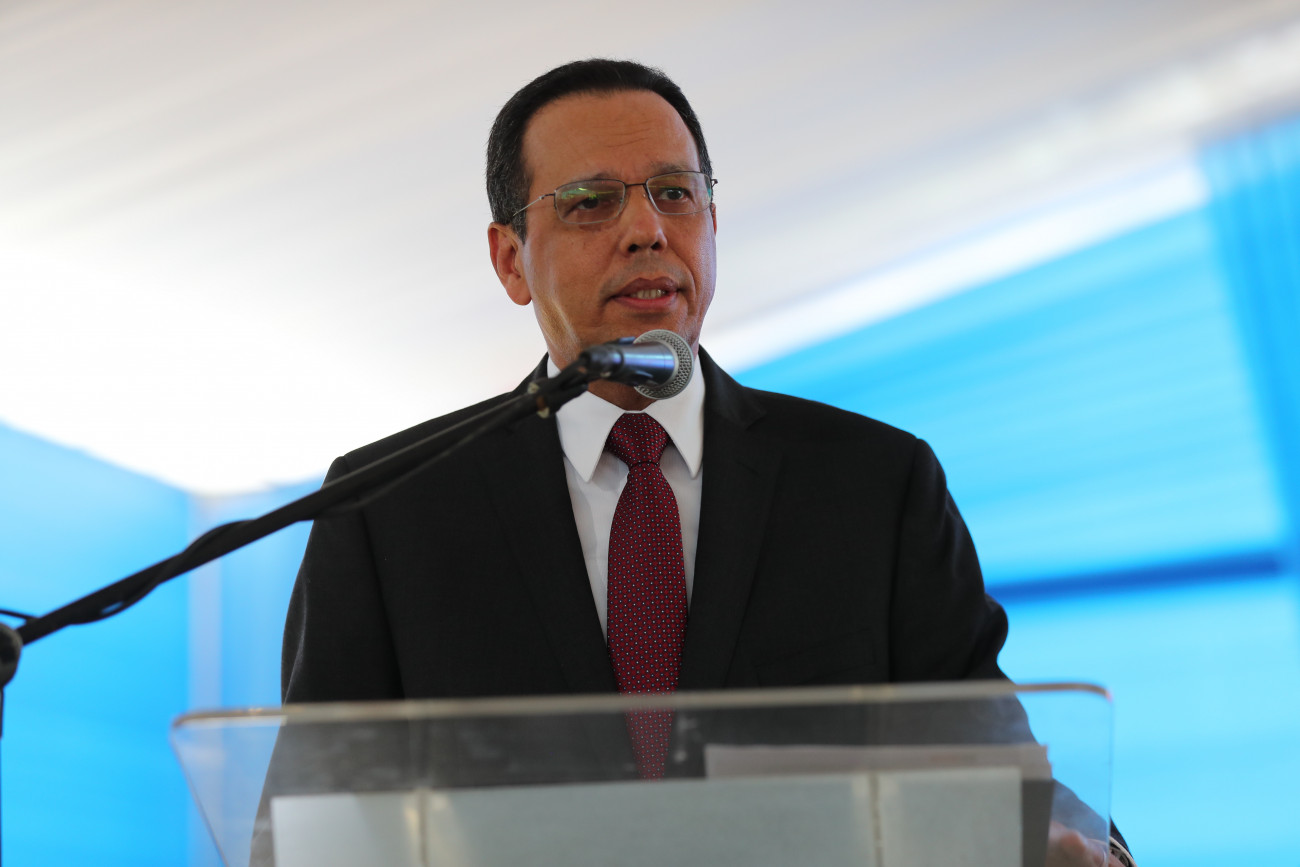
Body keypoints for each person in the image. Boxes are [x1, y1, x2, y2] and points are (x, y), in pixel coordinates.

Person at [280, 58, 1133, 867]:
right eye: (591, 203)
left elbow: (996, 763)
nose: (647, 230)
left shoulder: (874, 485)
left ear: (712, 223)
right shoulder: (387, 509)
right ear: (511, 259)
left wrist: (1085, 850)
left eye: (675, 194)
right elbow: (308, 826)